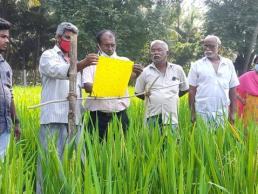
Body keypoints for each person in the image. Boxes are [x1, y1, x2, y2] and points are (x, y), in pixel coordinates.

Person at [37, 22, 97, 193]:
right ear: (57, 37)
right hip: (54, 118)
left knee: (76, 162)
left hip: (75, 120)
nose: (70, 42)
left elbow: (79, 86)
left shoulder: (74, 60)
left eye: (74, 39)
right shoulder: (48, 55)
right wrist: (81, 65)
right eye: (67, 38)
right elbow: (58, 71)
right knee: (50, 162)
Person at [82, 29, 143, 139]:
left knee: (122, 152)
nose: (110, 48)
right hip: (98, 116)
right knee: (94, 151)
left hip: (120, 115)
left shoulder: (124, 62)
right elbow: (87, 87)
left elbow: (128, 80)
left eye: (112, 45)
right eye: (106, 45)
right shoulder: (91, 62)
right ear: (99, 45)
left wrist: (136, 73)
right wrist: (112, 85)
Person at [135, 40, 189, 132]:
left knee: (172, 145)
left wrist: (171, 98)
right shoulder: (145, 71)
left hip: (171, 117)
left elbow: (184, 89)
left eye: (159, 50)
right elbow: (138, 93)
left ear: (167, 53)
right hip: (152, 117)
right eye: (153, 50)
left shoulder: (177, 69)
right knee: (152, 144)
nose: (156, 52)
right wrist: (152, 97)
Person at [188, 35, 239, 128]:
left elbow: (233, 89)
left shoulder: (228, 64)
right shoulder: (196, 65)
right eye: (205, 46)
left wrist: (232, 112)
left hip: (222, 111)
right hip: (202, 111)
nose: (208, 48)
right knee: (203, 141)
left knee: (220, 141)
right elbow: (192, 91)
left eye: (211, 46)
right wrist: (192, 113)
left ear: (219, 47)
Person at [0, 18, 21, 158]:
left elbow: (10, 94)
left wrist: (16, 122)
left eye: (7, 36)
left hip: (5, 126)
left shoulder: (5, 66)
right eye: (3, 36)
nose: (7, 40)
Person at [236, 56, 258, 125]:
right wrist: (241, 99)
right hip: (250, 108)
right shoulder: (248, 76)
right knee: (249, 130)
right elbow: (233, 87)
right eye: (257, 62)